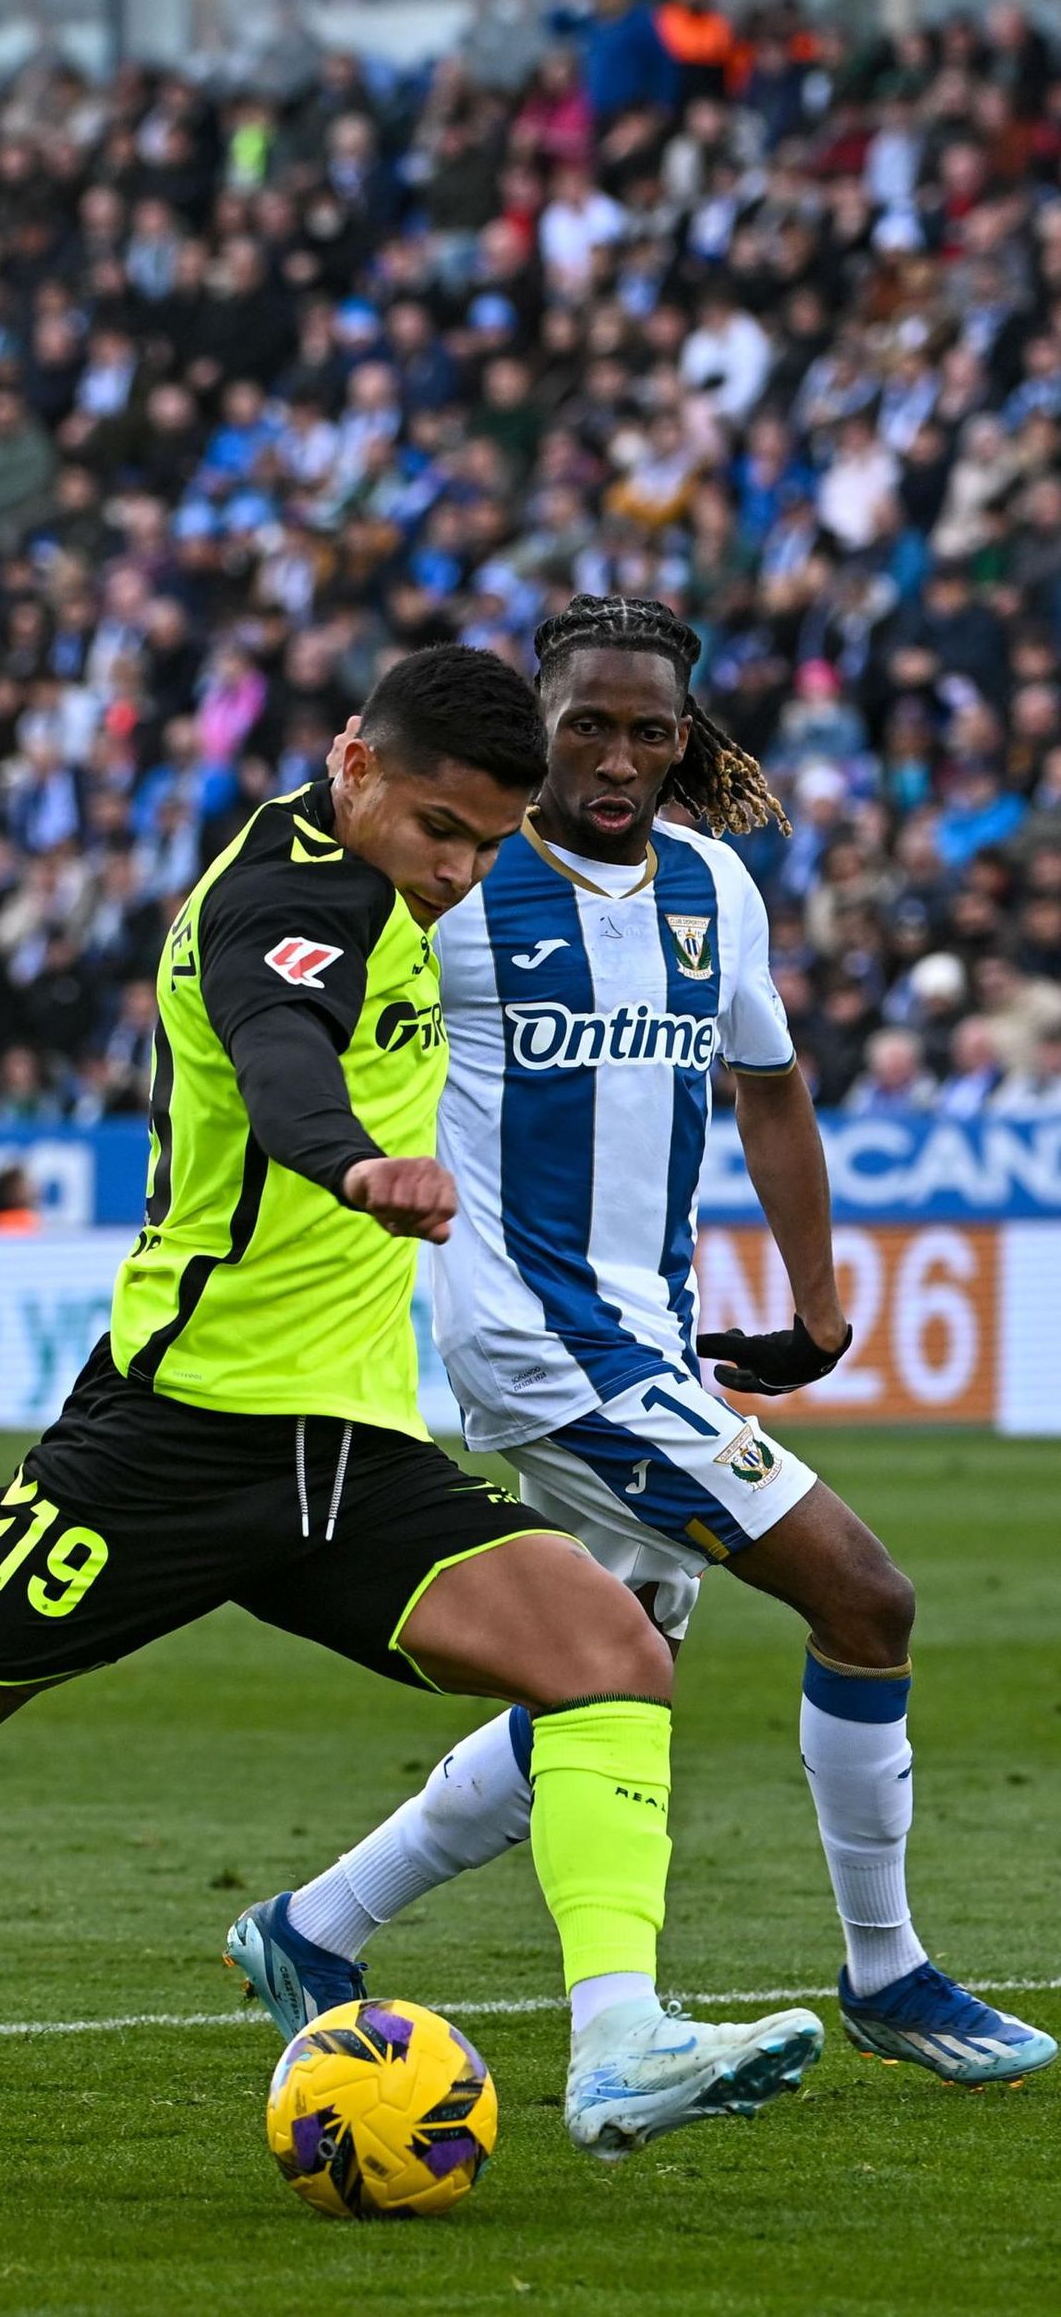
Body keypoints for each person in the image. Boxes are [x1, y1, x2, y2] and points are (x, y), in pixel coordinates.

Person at [0, 644, 821, 2163]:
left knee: (608, 1653)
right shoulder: (282, 898)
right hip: (173, 1440)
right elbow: (279, 1061)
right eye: (440, 832)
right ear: (353, 764)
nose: (459, 873)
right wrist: (351, 1167)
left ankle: (619, 2041)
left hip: (357, 1455)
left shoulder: (411, 886)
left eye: (489, 845)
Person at [227, 598, 1055, 2089]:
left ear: (688, 740)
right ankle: (889, 1973)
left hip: (651, 1337)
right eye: (586, 727)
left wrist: (815, 1303)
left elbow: (773, 1089)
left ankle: (312, 1925)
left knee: (602, 1679)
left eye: (648, 731)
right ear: (533, 729)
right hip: (540, 1348)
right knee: (866, 1599)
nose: (616, 759)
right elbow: (302, 1002)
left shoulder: (714, 887)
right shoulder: (455, 890)